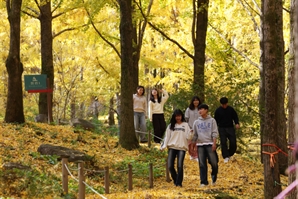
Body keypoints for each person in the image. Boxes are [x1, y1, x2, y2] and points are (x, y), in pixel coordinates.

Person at [160, 109, 193, 187]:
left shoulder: (185, 125)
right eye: (176, 116)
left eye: (179, 116)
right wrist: (163, 146)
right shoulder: (171, 126)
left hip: (182, 148)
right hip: (172, 147)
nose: (178, 118)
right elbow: (167, 137)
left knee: (180, 165)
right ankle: (176, 179)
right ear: (174, 117)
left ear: (181, 116)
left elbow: (189, 137)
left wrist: (191, 133)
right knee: (170, 166)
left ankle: (179, 183)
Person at [192, 104, 218, 187]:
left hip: (210, 143)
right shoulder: (196, 122)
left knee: (214, 162)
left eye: (202, 109)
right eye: (199, 109)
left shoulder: (212, 120)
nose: (200, 111)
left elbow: (214, 132)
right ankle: (203, 181)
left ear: (206, 110)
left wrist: (214, 143)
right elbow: (195, 135)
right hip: (200, 144)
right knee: (202, 163)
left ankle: (214, 175)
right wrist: (193, 145)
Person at [214, 97, 240, 163]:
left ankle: (230, 153)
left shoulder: (231, 109)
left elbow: (235, 117)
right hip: (222, 128)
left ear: (227, 103)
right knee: (223, 142)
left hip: (230, 127)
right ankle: (225, 156)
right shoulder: (218, 111)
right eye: (223, 104)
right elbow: (215, 120)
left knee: (233, 142)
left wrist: (237, 123)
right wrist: (215, 128)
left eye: (225, 104)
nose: (224, 106)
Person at [185, 96, 202, 161]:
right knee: (190, 143)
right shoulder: (189, 109)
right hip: (190, 128)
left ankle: (196, 155)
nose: (196, 102)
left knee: (197, 143)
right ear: (192, 101)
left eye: (197, 100)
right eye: (194, 100)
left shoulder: (201, 109)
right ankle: (192, 155)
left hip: (199, 128)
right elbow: (186, 118)